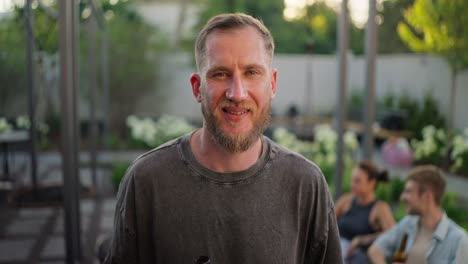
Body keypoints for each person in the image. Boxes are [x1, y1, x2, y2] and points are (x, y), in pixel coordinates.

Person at [104, 13, 342, 263]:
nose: (237, 93)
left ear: (272, 84)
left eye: (251, 72)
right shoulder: (147, 181)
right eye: (220, 74)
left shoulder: (306, 185)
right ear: (197, 87)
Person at [368, 165, 468, 264]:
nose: (402, 197)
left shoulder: (458, 240)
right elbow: (376, 249)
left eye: (408, 191)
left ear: (426, 196)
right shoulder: (407, 223)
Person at [335, 161, 395, 263]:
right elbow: (326, 223)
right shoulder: (346, 201)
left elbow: (393, 234)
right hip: (337, 253)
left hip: (358, 258)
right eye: (352, 180)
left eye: (357, 181)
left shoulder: (380, 208)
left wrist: (362, 240)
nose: (352, 184)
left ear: (372, 183)